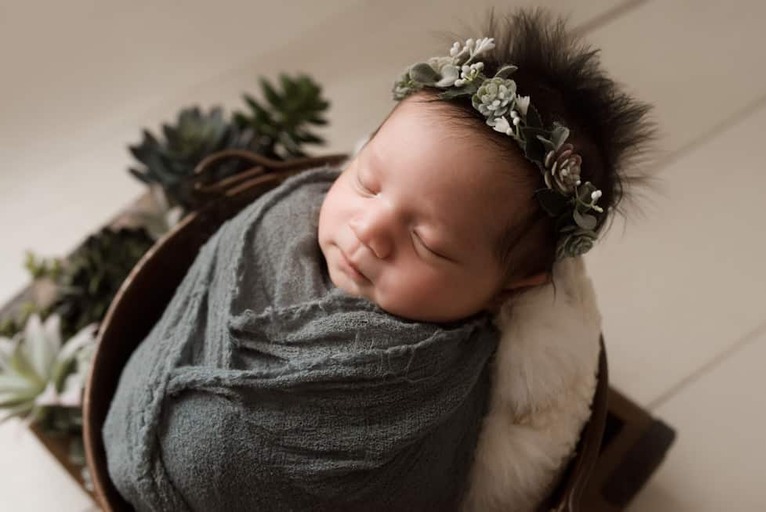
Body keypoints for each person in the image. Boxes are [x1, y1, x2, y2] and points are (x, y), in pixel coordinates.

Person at [103, 8, 653, 512]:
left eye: (429, 244)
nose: (370, 231)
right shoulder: (287, 212)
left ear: (508, 289)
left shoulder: (439, 382)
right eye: (367, 183)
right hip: (130, 431)